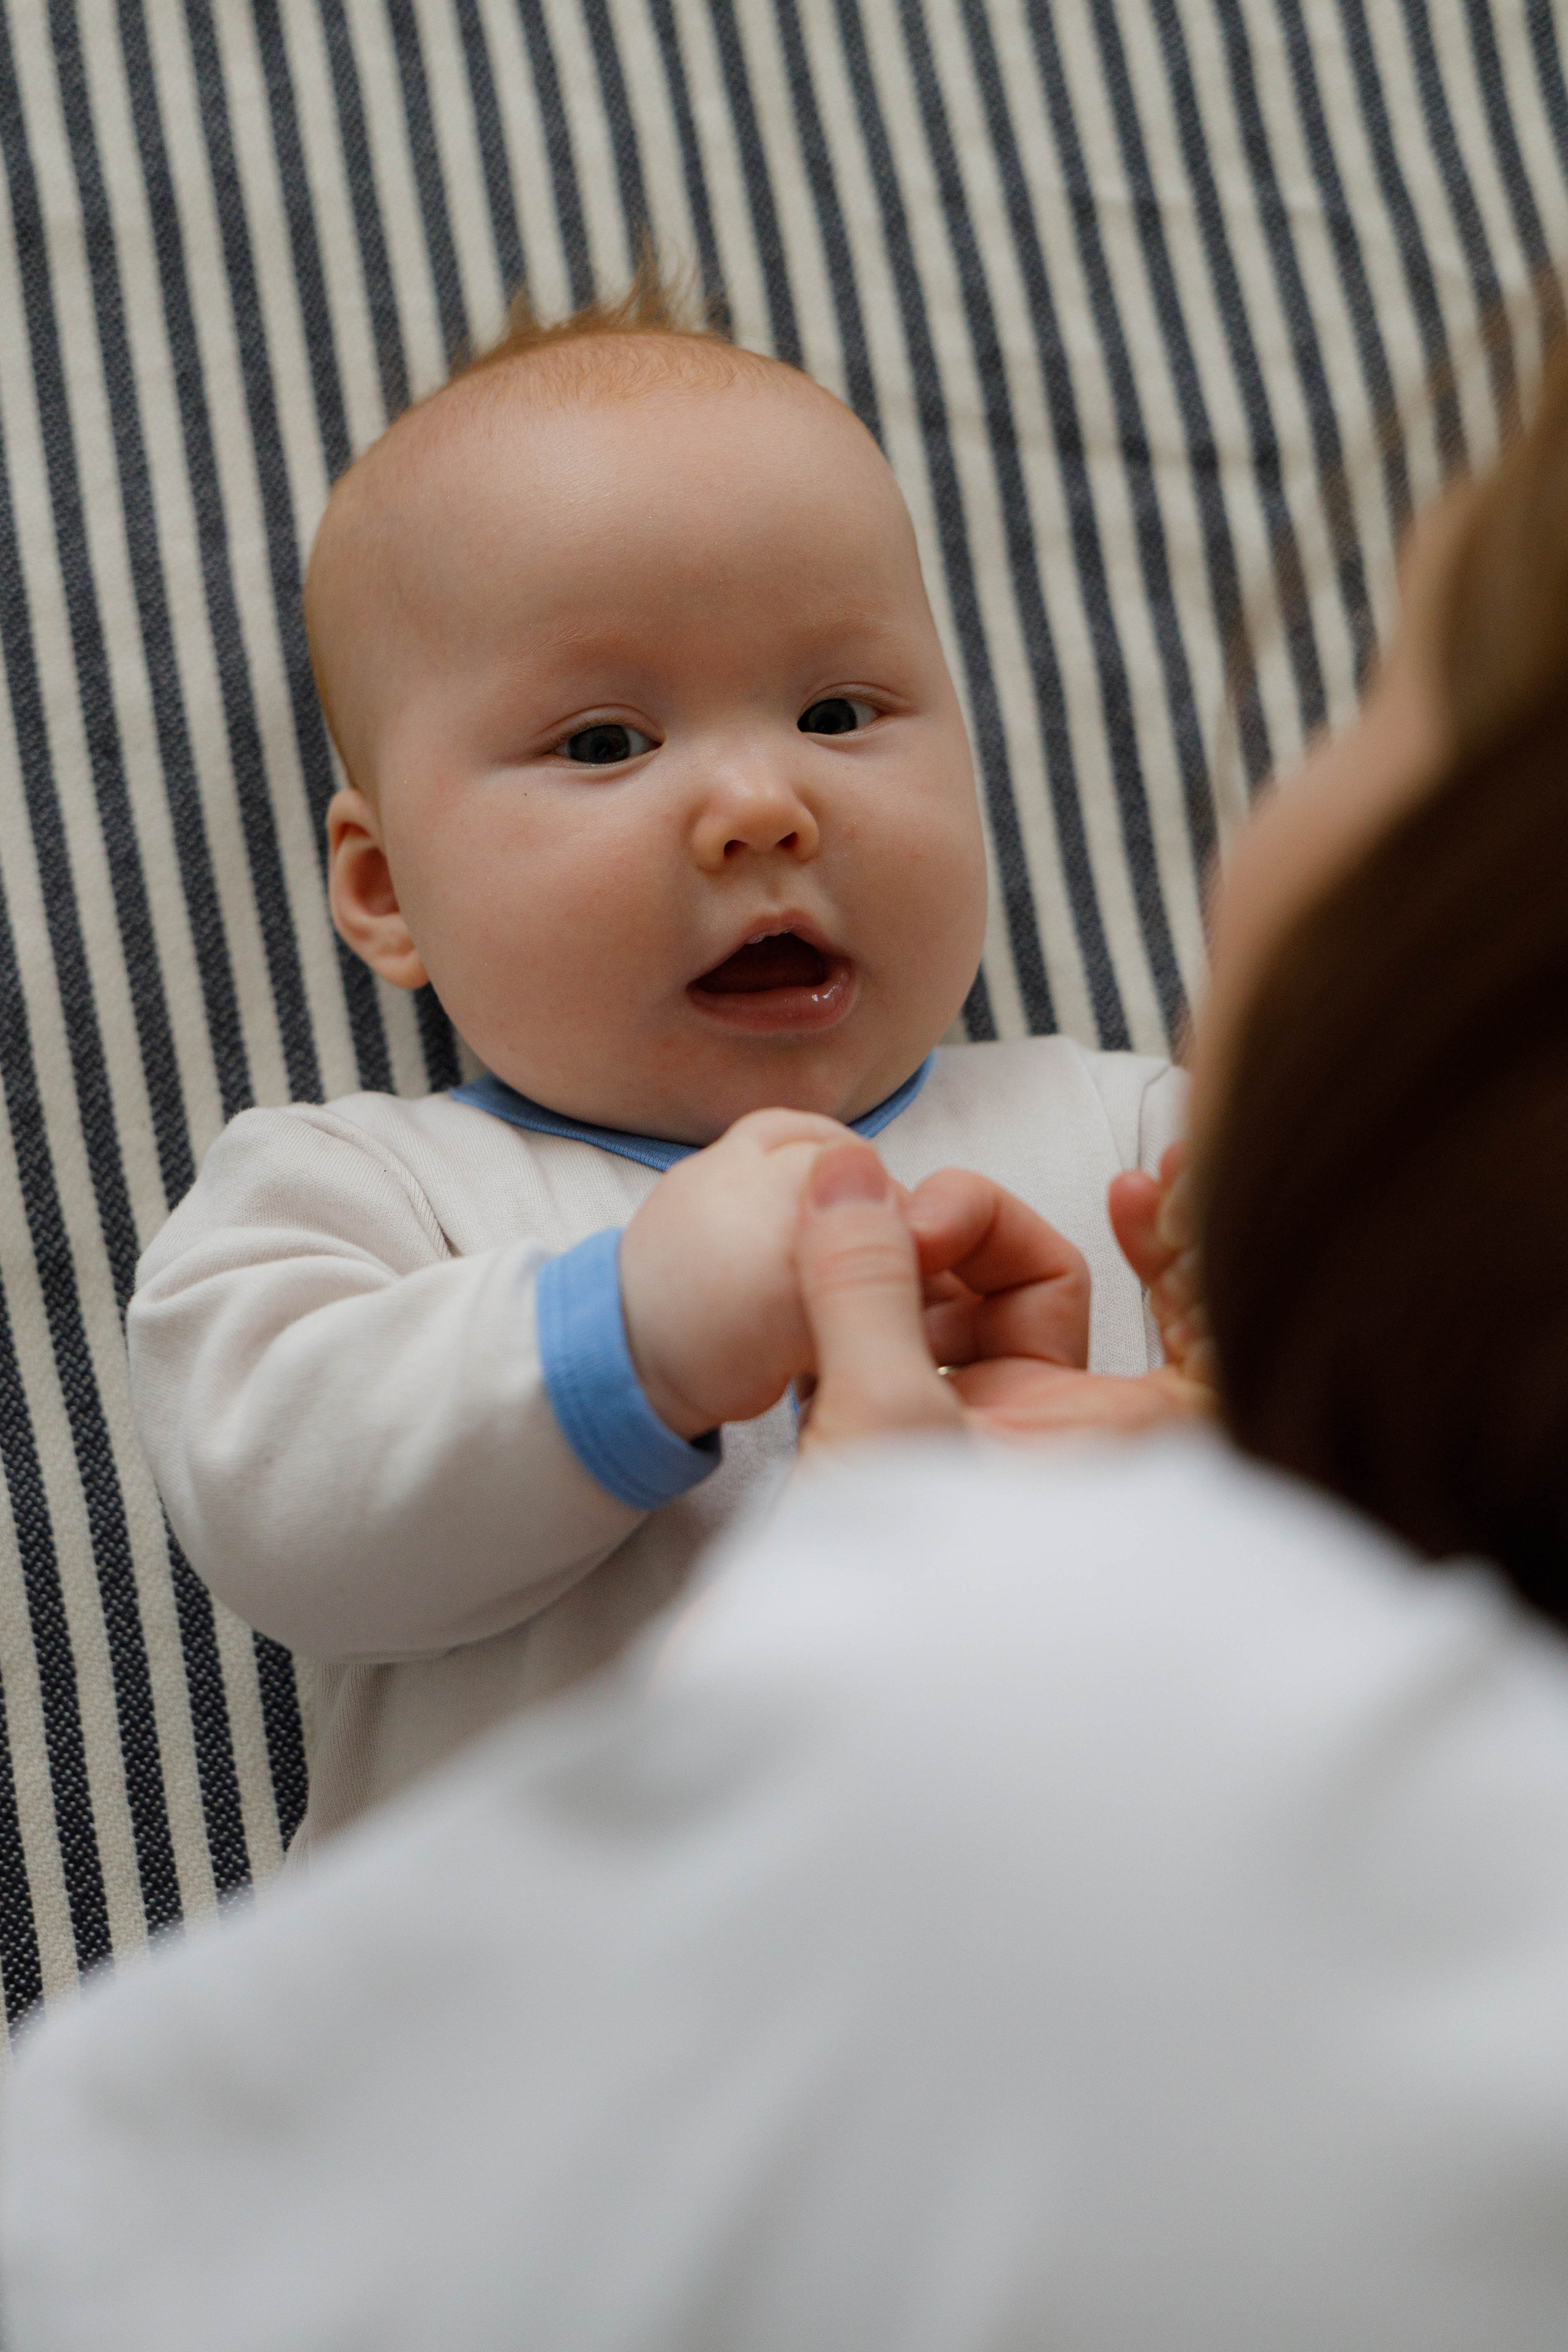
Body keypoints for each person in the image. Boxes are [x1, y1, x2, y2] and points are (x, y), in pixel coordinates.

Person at [126, 264, 1188, 1852]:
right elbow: (275, 1504)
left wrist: (1221, 1439)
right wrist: (632, 1334)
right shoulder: (369, 1197)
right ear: (388, 890)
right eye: (608, 742)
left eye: (839, 708)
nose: (765, 803)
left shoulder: (1129, 1136)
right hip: (599, 2052)